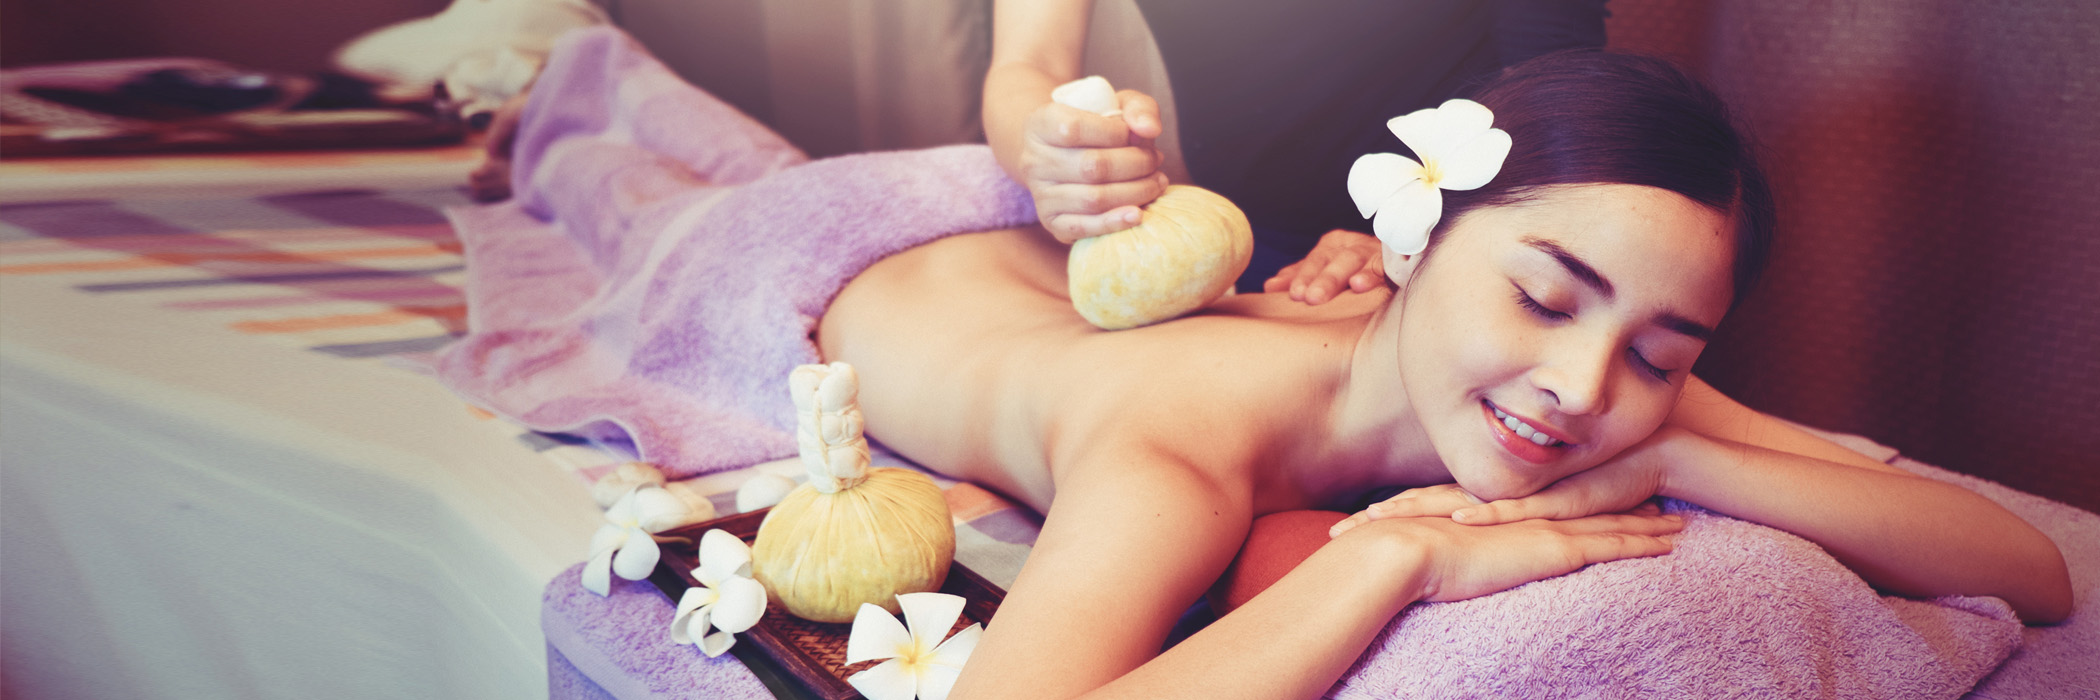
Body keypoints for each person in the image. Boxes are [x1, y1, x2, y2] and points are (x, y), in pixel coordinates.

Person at [478, 40, 2072, 700]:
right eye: (1546, 293)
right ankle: (523, 70)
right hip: (831, 260)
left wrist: (1684, 452)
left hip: (1037, 279)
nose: (1587, 387)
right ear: (1412, 240)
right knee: (612, 175)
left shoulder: (1583, 382)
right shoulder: (1185, 450)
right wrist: (1389, 564)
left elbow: (2025, 566)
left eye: (1665, 351)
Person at [983, 0, 1610, 301]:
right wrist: (1049, 154)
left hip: (1452, 244)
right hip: (1244, 247)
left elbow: (1553, 90)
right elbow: (1027, 63)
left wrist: (1417, 240)